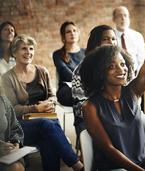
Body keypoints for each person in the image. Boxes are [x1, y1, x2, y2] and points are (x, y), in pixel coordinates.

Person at [80, 3, 145, 171]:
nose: (121, 70)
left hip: (143, 159)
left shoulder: (132, 91)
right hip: (112, 166)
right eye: (112, 66)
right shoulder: (90, 107)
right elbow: (108, 149)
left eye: (123, 64)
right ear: (100, 72)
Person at [72, 25, 145, 154]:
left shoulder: (122, 63)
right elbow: (80, 108)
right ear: (96, 43)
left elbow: (131, 92)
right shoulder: (82, 70)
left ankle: (138, 157)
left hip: (124, 111)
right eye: (106, 39)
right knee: (116, 141)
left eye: (114, 39)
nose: (111, 42)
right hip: (96, 117)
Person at [1, 34, 83, 171]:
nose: (28, 52)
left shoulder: (42, 71)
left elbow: (52, 96)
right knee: (47, 125)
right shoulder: (7, 78)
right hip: (21, 127)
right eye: (24, 49)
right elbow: (12, 110)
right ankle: (77, 165)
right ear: (14, 52)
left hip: (45, 121)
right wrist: (36, 108)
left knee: (47, 136)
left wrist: (50, 103)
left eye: (31, 48)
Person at [53, 21, 85, 106]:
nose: (72, 33)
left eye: (74, 31)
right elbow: (65, 72)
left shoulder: (86, 52)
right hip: (67, 89)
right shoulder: (57, 54)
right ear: (63, 36)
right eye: (68, 31)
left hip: (86, 87)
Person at [112, 5, 145, 74]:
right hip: (116, 74)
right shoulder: (110, 36)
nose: (123, 18)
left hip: (135, 74)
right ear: (114, 19)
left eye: (125, 15)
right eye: (120, 15)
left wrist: (138, 75)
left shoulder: (137, 36)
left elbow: (142, 60)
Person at [0, 89, 24, 171]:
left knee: (17, 167)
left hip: (6, 154)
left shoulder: (3, 99)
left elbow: (14, 127)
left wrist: (16, 142)